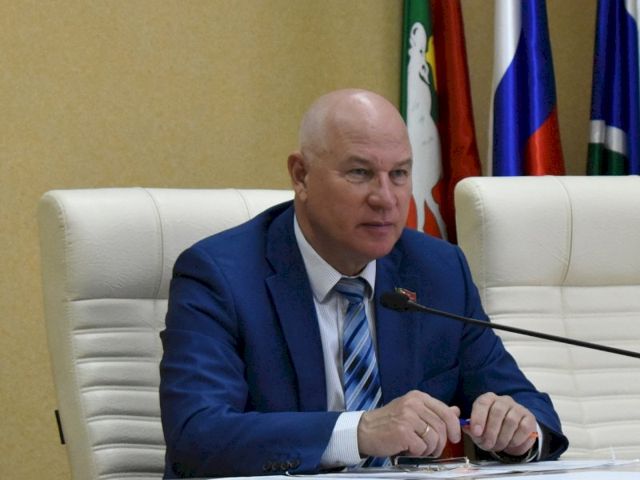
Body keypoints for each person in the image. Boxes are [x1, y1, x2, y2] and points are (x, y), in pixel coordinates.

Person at [159, 89, 568, 478]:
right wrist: (359, 432)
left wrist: (517, 430)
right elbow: (197, 435)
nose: (385, 198)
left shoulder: (439, 271)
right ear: (301, 176)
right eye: (360, 173)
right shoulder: (220, 276)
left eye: (399, 174)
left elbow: (531, 409)